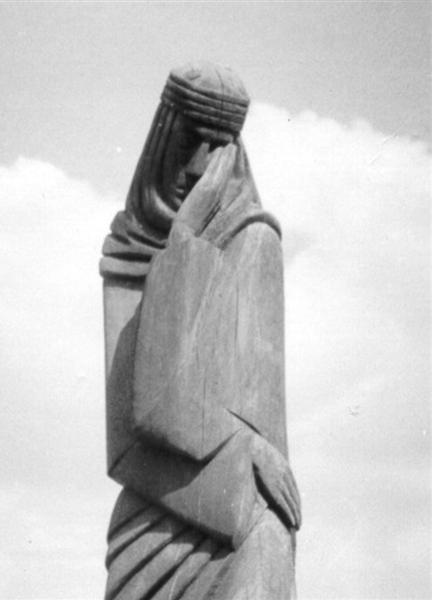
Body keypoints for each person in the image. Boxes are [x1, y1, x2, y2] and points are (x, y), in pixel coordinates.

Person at [100, 61, 301, 600]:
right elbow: (140, 425)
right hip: (149, 526)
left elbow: (264, 443)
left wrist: (244, 448)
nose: (196, 167)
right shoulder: (129, 249)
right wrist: (184, 241)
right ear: (161, 136)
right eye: (188, 141)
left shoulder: (254, 242)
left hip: (240, 520)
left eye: (217, 147)